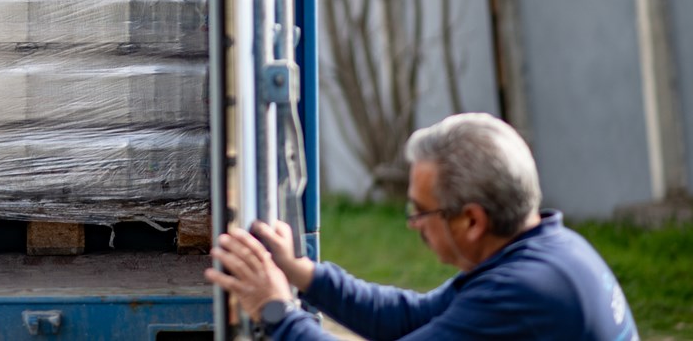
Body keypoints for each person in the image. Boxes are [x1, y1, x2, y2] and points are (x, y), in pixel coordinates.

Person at [205, 112, 639, 340]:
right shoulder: (551, 251)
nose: (413, 226)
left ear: (472, 220)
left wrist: (276, 310)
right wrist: (303, 274)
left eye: (421, 212)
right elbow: (412, 318)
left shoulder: (522, 294)